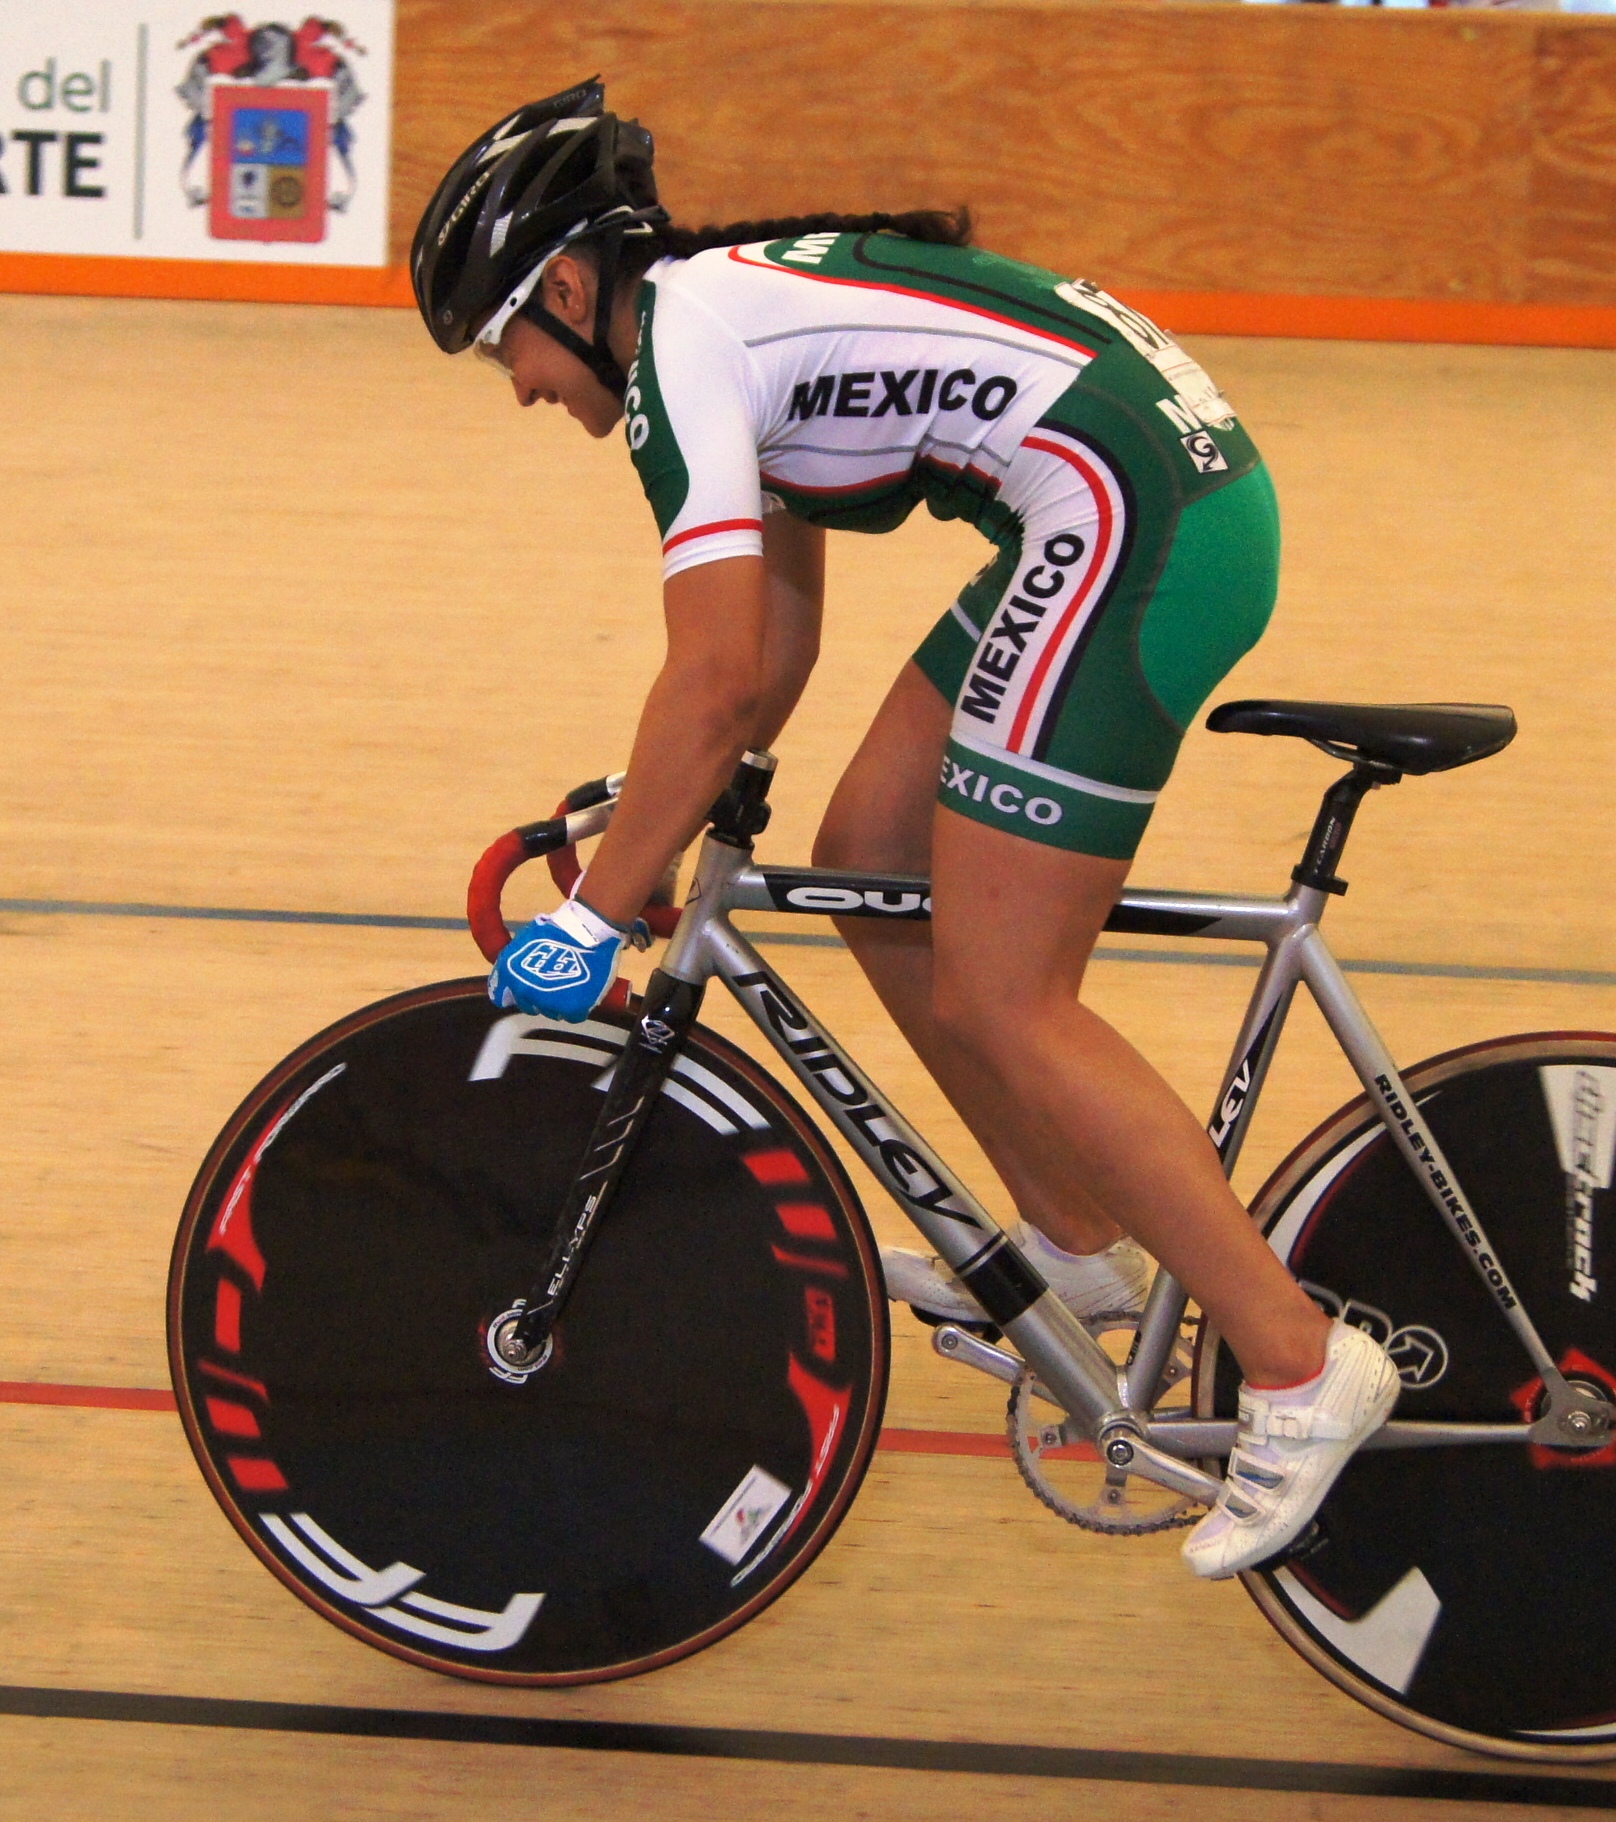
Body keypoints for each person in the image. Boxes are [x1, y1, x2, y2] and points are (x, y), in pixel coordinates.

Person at [410, 80, 1398, 1578]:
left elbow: (715, 675)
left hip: (1132, 525)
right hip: (1119, 503)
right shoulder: (717, 313)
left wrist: (595, 912)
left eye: (508, 350)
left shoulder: (683, 351)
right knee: (872, 853)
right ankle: (1072, 1242)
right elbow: (772, 648)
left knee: (1007, 992)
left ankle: (1298, 1363)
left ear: (562, 291)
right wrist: (662, 814)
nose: (522, 390)